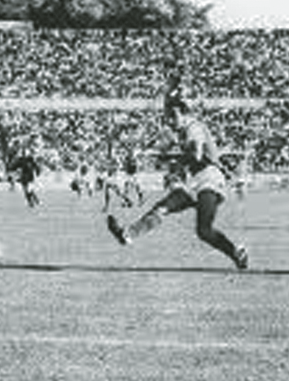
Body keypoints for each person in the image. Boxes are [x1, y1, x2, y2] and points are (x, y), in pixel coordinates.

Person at [106, 89, 248, 270]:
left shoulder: (193, 127)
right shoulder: (181, 130)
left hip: (209, 179)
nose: (168, 121)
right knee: (161, 209)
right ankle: (127, 235)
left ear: (179, 112)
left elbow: (196, 156)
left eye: (171, 117)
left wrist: (169, 158)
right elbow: (170, 151)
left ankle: (235, 252)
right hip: (193, 182)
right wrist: (150, 155)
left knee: (203, 230)